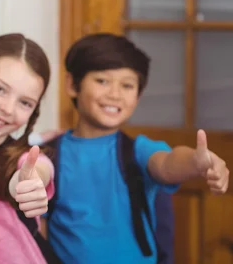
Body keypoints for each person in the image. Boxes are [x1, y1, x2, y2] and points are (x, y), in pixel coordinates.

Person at [45, 33, 230, 263]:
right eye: (102, 81)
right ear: (72, 85)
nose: (115, 94)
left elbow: (167, 163)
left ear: (138, 96)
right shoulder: (48, 156)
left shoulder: (137, 151)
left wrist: (196, 162)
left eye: (127, 85)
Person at [0, 33, 56, 263]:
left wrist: (28, 183)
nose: (8, 109)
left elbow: (35, 169)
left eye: (25, 103)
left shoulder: (23, 158)